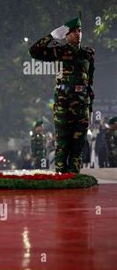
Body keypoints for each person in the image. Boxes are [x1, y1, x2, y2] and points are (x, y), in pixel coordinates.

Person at [29, 13, 95, 173]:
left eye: (80, 30)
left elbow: (89, 84)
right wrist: (51, 36)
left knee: (77, 148)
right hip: (63, 106)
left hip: (82, 106)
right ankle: (60, 180)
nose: (78, 34)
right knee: (63, 146)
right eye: (74, 31)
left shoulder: (88, 54)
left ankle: (74, 181)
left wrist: (90, 109)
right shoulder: (59, 51)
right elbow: (34, 51)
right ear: (66, 35)